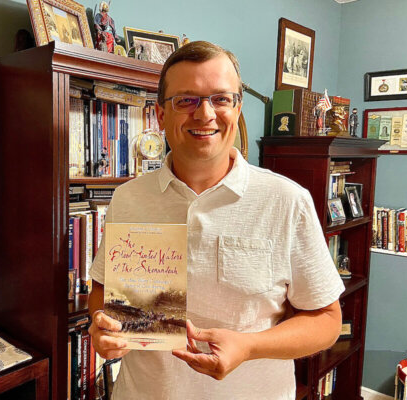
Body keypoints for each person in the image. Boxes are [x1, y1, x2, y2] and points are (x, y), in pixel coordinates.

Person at [87, 41, 344, 400]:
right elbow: (102, 290)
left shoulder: (287, 201)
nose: (205, 113)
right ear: (161, 115)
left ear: (237, 108)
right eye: (186, 100)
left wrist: (249, 346)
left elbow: (327, 322)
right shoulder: (128, 198)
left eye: (221, 99)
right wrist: (102, 327)